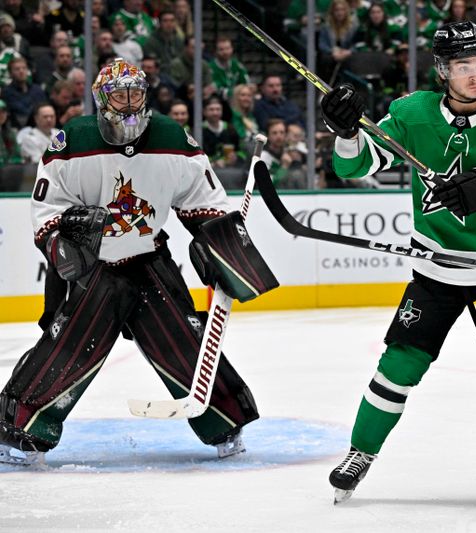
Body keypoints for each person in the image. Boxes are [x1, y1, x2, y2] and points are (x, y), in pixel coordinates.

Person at [0, 58, 277, 466]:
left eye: (135, 94)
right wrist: (60, 239)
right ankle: (20, 432)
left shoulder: (172, 137)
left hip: (148, 256)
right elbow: (47, 206)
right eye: (119, 95)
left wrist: (218, 241)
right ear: (101, 99)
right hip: (94, 265)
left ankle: (225, 423)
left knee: (184, 339)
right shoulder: (72, 141)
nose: (129, 105)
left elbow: (203, 200)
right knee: (71, 348)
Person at [322, 21, 476, 505]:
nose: (475, 76)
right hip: (436, 267)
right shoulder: (411, 113)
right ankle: (360, 452)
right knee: (399, 365)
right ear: (444, 70)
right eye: (463, 66)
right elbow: (356, 166)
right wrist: (345, 133)